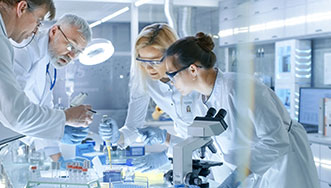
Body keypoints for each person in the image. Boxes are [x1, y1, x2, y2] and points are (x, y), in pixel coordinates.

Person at [0, 0, 92, 187]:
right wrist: (65, 119)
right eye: (38, 21)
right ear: (22, 8)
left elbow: (34, 109)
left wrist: (58, 132)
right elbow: (16, 113)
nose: (38, 30)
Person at [164, 32, 319, 188]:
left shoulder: (240, 88)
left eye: (172, 75)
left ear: (192, 70)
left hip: (282, 168)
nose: (171, 82)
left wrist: (236, 178)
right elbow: (211, 148)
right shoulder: (200, 101)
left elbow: (276, 142)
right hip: (248, 174)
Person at [99, 23, 205, 172]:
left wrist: (166, 156)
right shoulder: (144, 79)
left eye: (155, 61)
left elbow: (210, 140)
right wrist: (117, 137)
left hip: (215, 157)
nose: (148, 68)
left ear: (173, 55)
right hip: (182, 152)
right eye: (143, 61)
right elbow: (132, 128)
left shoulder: (194, 78)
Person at [12, 13, 92, 164]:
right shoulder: (25, 48)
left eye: (78, 52)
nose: (71, 55)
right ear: (54, 31)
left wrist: (59, 160)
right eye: (70, 46)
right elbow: (13, 111)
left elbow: (44, 109)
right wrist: (62, 122)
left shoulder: (49, 65)